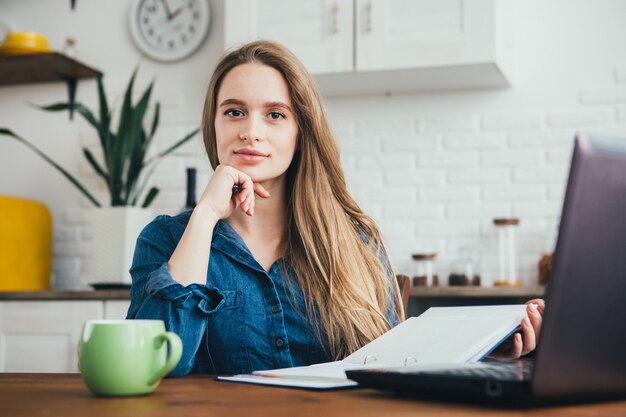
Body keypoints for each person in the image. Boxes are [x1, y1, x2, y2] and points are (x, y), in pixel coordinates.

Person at [127, 40, 543, 376]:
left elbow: (397, 366)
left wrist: (486, 357)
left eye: (275, 115)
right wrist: (204, 217)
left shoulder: (355, 241)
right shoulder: (165, 240)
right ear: (213, 124)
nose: (250, 132)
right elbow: (150, 365)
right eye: (234, 112)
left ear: (300, 132)